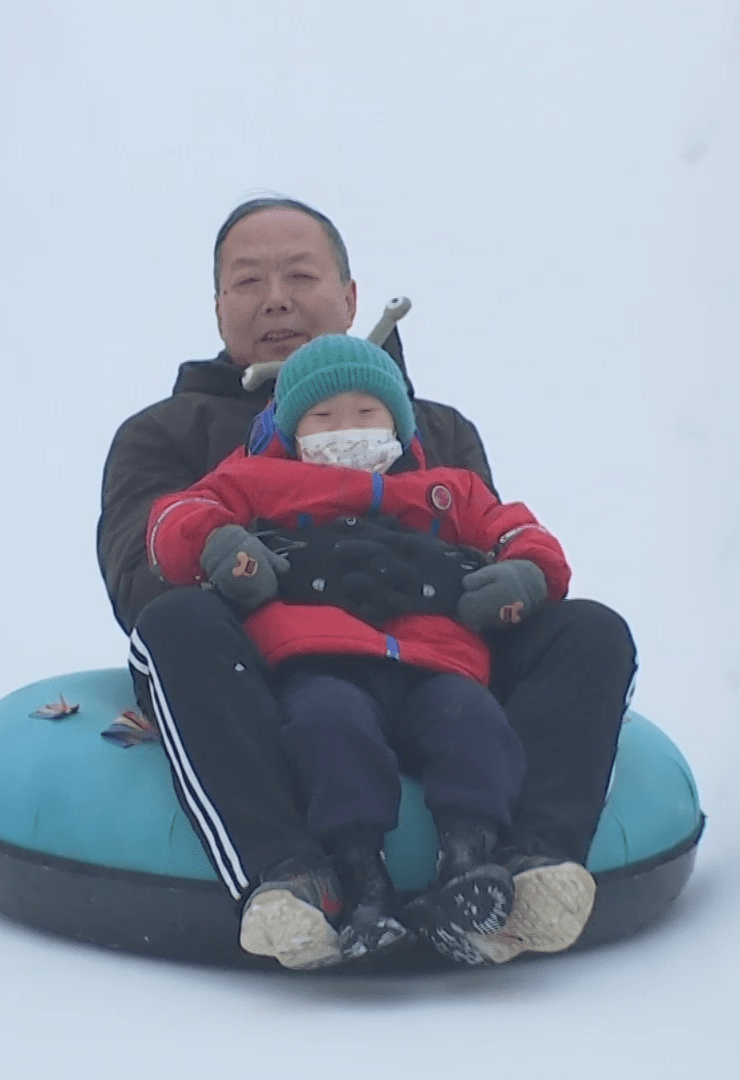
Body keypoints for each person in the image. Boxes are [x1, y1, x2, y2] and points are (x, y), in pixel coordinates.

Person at [97, 196, 637, 967]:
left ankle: (524, 869)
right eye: (247, 281)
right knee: (176, 626)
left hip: (430, 669)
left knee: (590, 630)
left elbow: (495, 554)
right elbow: (140, 577)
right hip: (279, 681)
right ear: (218, 306)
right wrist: (280, 567)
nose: (275, 297)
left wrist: (489, 579)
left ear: (350, 299)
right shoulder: (169, 432)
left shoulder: (435, 434)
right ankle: (291, 877)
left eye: (300, 274)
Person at [145, 334, 569, 967]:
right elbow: (176, 514)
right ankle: (358, 874)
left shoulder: (446, 490)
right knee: (328, 728)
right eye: (323, 416)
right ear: (290, 429)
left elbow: (519, 530)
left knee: (474, 723)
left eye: (367, 413)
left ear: (398, 420)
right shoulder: (259, 478)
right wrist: (219, 543)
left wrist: (526, 573)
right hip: (322, 662)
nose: (346, 429)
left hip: (434, 664)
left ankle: (469, 859)